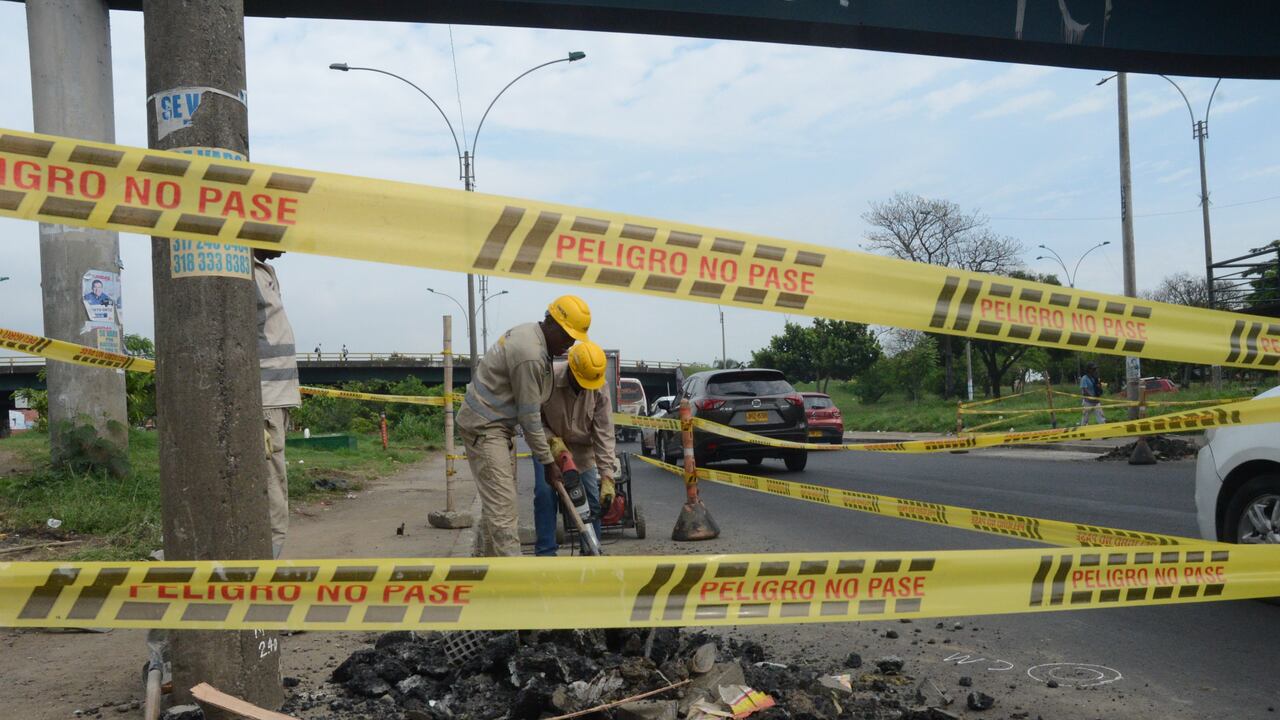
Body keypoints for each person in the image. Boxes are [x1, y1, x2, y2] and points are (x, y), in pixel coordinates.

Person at [456, 295, 592, 556]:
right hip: (485, 427)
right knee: (504, 513)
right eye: (566, 335)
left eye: (573, 338)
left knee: (498, 507)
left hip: (498, 426)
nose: (569, 343)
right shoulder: (530, 354)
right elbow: (530, 419)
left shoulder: (534, 336)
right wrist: (549, 464)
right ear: (551, 322)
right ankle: (514, 586)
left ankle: (489, 575)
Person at [531, 341, 616, 556]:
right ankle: (545, 553)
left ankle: (591, 551)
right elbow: (532, 420)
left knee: (590, 501)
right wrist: (554, 444)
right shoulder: (547, 380)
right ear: (571, 369)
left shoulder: (599, 387)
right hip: (548, 445)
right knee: (545, 494)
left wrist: (607, 476)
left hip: (582, 451)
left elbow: (604, 433)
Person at [254, 249, 301, 558]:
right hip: (264, 399)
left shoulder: (263, 271)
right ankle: (263, 569)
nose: (284, 245)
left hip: (276, 398)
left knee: (274, 488)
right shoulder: (240, 272)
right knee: (272, 494)